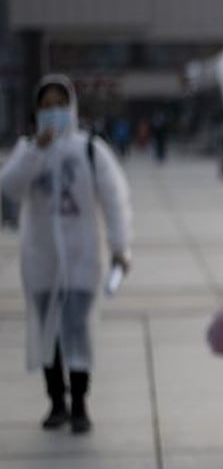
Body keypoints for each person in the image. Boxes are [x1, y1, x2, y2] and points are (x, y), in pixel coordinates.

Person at [0, 74, 133, 433]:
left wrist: (120, 247)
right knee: (48, 334)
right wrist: (35, 151)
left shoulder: (90, 149)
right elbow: (9, 188)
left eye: (61, 103)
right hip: (41, 260)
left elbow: (115, 201)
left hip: (81, 258)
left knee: (77, 331)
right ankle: (56, 401)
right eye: (47, 104)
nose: (54, 110)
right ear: (37, 110)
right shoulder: (28, 149)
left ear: (71, 106)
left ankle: (80, 403)